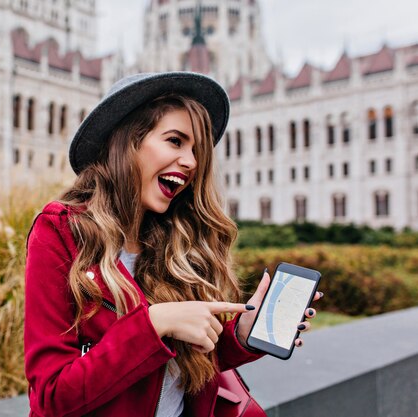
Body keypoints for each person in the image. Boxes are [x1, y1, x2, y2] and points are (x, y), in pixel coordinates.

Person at [24, 72, 320, 417]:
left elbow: (178, 370)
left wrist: (240, 334)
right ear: (127, 142)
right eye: (175, 141)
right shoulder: (61, 231)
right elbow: (52, 396)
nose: (192, 162)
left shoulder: (175, 241)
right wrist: (154, 323)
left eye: (196, 150)